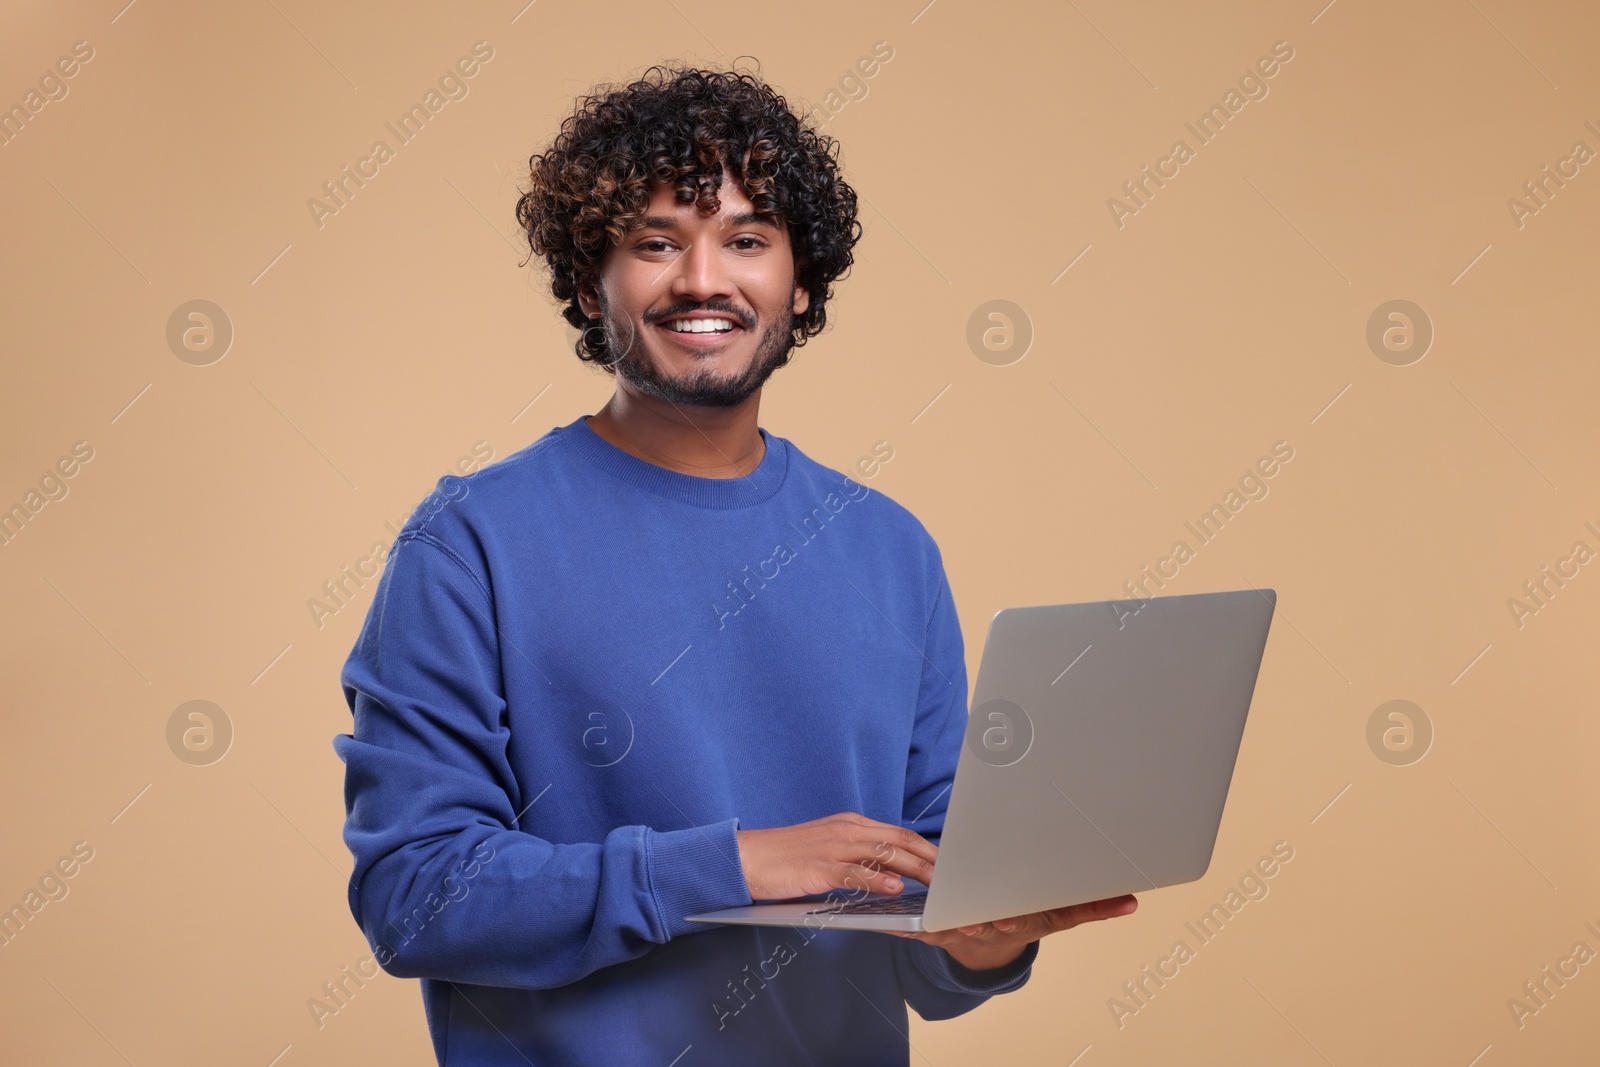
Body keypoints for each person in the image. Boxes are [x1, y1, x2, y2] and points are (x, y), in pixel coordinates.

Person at [333, 62, 1137, 1066]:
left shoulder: (889, 547)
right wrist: (725, 865)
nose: (703, 279)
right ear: (590, 283)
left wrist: (987, 934)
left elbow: (927, 934)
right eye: (654, 242)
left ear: (800, 286)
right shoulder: (469, 542)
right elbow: (416, 897)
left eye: (746, 240)